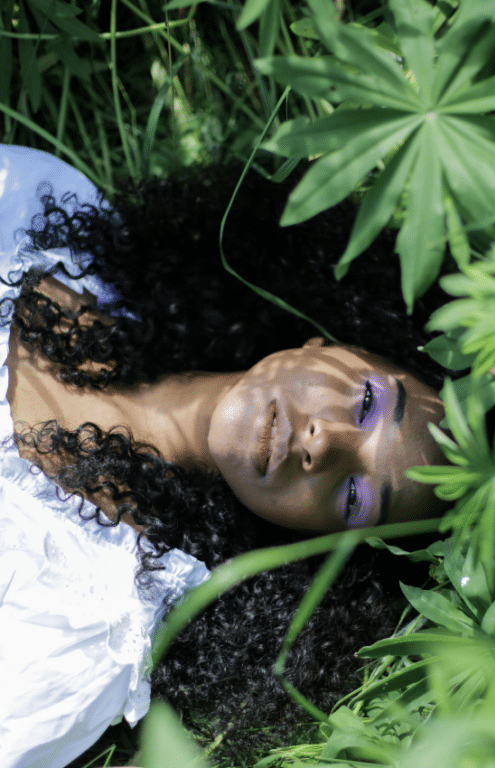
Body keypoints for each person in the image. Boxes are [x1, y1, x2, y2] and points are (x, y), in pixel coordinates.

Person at [0, 145, 448, 768]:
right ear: (336, 341)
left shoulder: (91, 631)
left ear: (318, 546)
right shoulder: (40, 224)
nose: (325, 443)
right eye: (369, 402)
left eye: (357, 497)